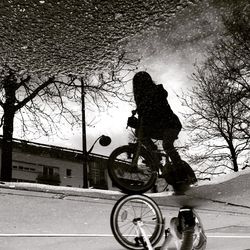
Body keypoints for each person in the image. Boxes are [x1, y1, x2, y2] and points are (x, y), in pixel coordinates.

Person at [132, 71, 197, 190]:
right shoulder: (141, 100)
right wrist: (136, 122)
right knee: (139, 133)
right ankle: (154, 155)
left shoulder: (157, 91)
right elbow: (143, 120)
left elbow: (153, 111)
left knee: (167, 145)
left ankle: (181, 171)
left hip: (171, 124)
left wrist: (143, 112)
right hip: (160, 127)